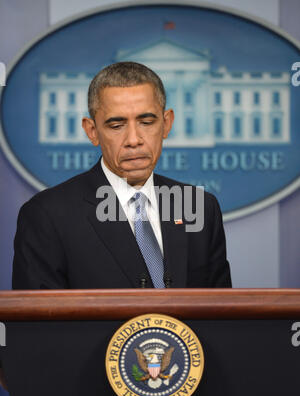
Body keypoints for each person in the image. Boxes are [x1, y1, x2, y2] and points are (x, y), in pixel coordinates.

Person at [12, 62, 231, 289]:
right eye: (117, 125)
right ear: (92, 131)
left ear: (166, 124)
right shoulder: (47, 215)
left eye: (146, 122)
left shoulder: (200, 207)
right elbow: (38, 322)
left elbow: (222, 317)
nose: (134, 139)